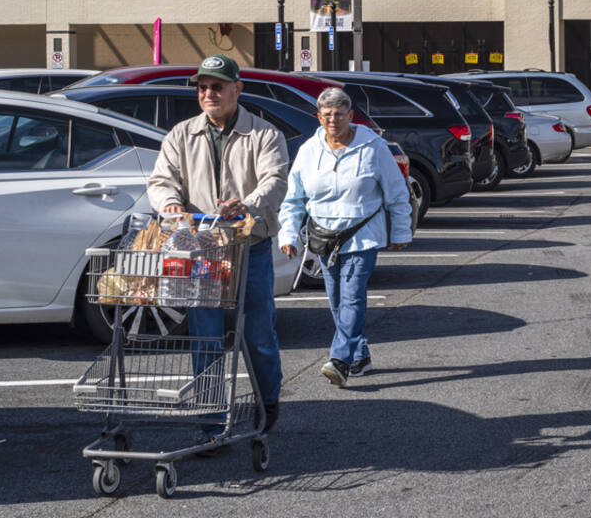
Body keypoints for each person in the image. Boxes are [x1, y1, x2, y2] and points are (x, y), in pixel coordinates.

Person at [146, 54, 288, 441]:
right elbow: (161, 180)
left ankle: (266, 402)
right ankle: (210, 421)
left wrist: (248, 204)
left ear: (237, 89)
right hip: (201, 252)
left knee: (257, 333)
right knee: (205, 335)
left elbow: (275, 181)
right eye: (203, 87)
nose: (209, 93)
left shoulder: (263, 134)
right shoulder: (181, 134)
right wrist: (169, 203)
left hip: (249, 249)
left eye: (217, 86)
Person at [279, 87, 413, 388]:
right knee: (337, 299)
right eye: (327, 115)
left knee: (352, 296)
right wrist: (288, 233)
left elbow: (396, 192)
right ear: (319, 117)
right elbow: (293, 199)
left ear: (351, 116)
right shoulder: (308, 151)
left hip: (362, 234)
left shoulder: (373, 147)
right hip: (324, 237)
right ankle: (359, 355)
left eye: (339, 114)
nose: (333, 120)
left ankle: (339, 360)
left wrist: (401, 229)